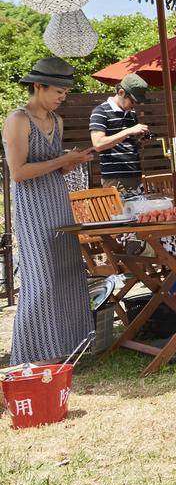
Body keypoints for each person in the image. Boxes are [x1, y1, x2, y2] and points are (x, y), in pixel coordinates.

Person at [2, 58, 96, 365]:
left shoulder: (57, 121)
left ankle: (68, 349)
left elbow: (57, 168)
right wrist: (60, 161)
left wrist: (74, 159)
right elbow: (18, 172)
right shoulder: (18, 119)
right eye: (58, 90)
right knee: (41, 279)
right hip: (31, 206)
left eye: (66, 92)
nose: (62, 97)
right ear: (38, 86)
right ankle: (31, 357)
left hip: (57, 200)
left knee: (67, 273)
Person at [88, 73, 150, 192]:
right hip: (115, 179)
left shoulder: (131, 114)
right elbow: (98, 144)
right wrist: (128, 131)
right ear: (121, 92)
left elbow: (125, 144)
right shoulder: (100, 111)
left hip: (135, 175)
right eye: (133, 101)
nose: (135, 105)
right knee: (120, 211)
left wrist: (140, 142)